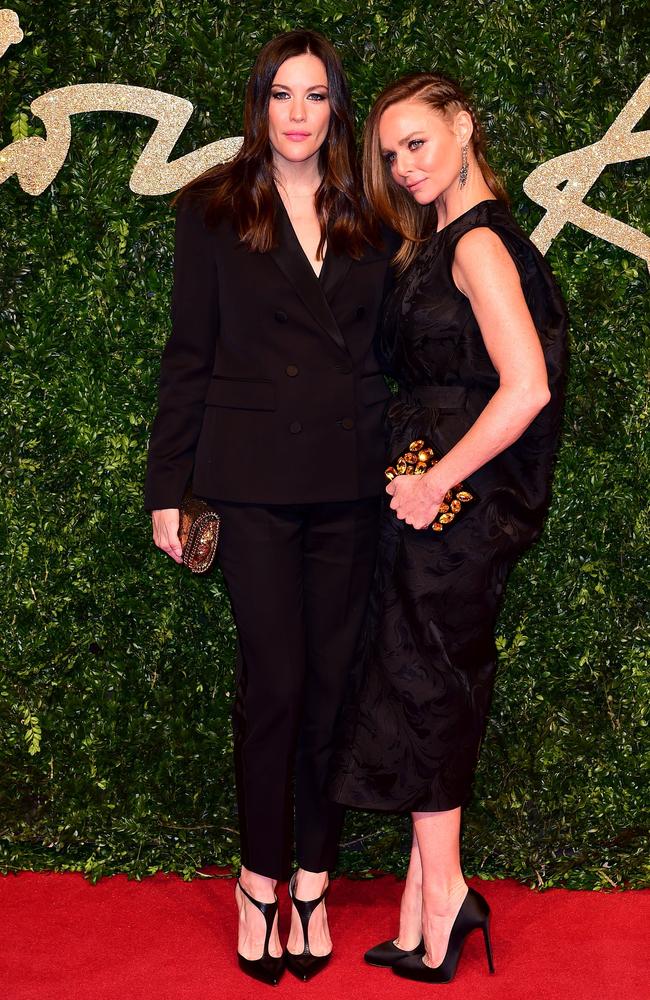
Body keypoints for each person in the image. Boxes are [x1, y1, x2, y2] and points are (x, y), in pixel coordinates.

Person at [144, 30, 394, 986]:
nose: (298, 113)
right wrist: (168, 487)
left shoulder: (371, 214)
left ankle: (316, 879)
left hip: (348, 480)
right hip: (249, 483)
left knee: (333, 687)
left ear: (337, 107)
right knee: (277, 685)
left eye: (316, 95)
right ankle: (259, 884)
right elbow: (188, 357)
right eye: (282, 94)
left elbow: (388, 353)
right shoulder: (213, 210)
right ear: (259, 104)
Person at [329, 72, 568, 984]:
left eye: (417, 143)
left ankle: (445, 896)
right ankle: (427, 898)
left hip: (457, 512)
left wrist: (437, 480)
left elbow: (528, 388)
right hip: (427, 509)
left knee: (430, 692)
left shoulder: (478, 246)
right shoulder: (437, 242)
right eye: (390, 155)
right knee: (416, 687)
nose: (402, 166)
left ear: (463, 127)